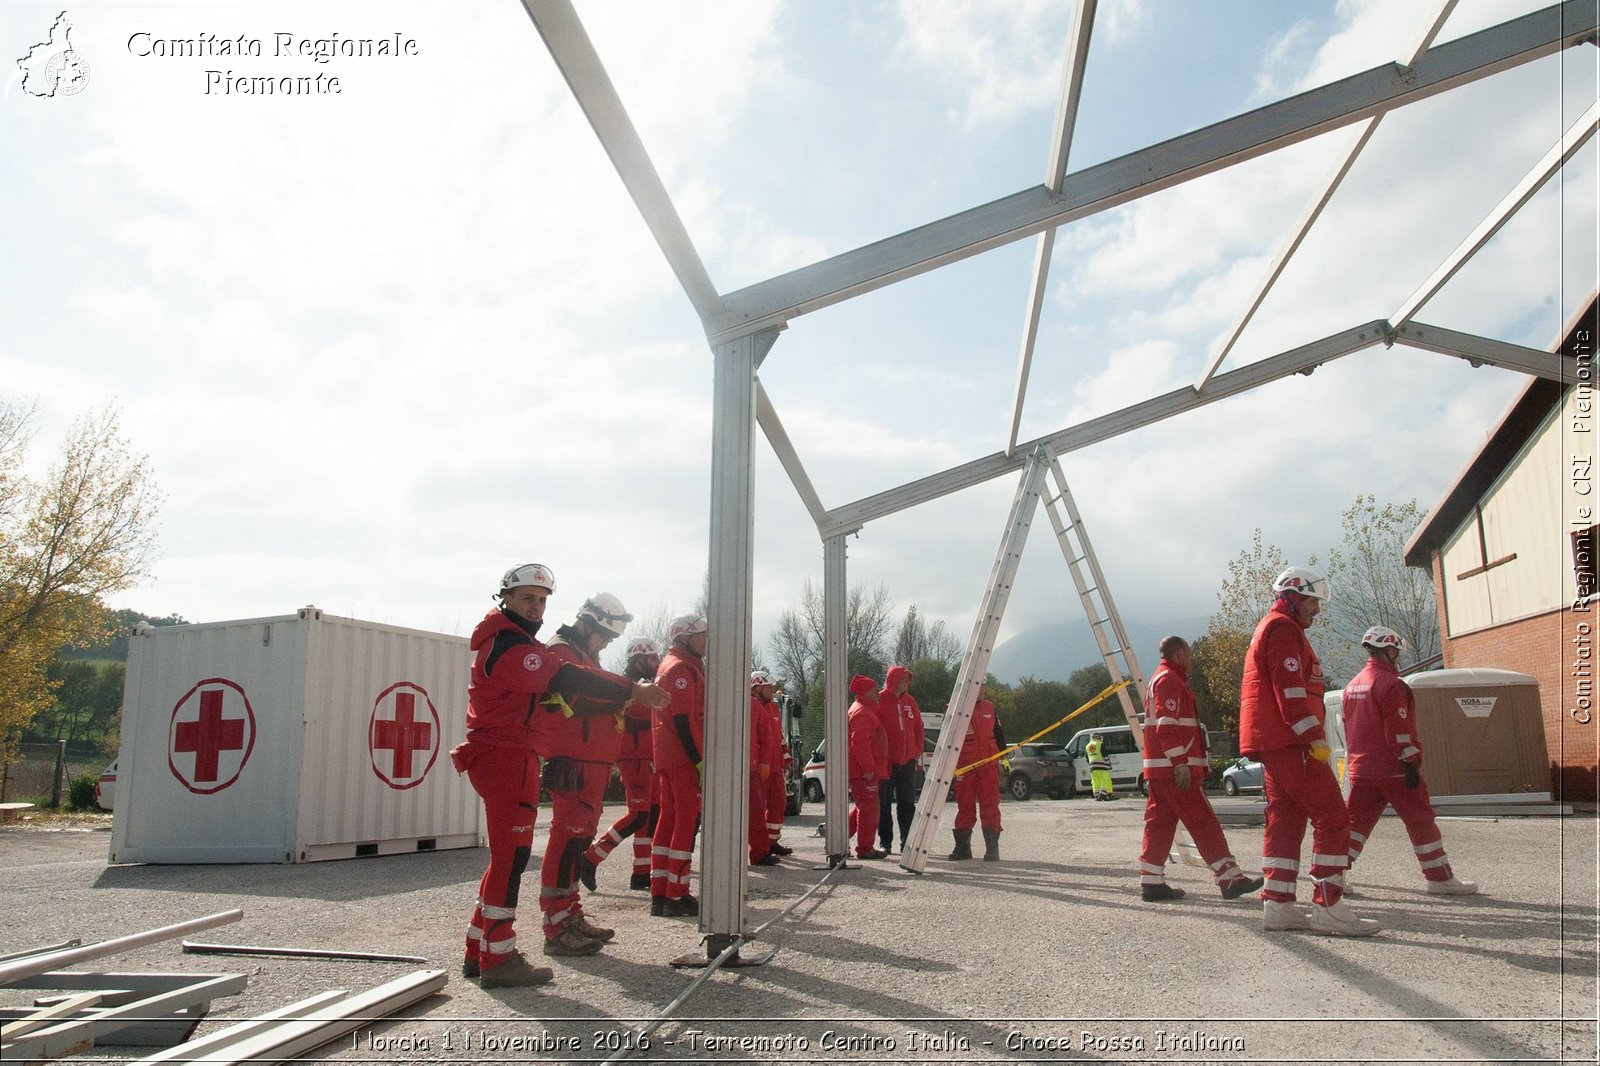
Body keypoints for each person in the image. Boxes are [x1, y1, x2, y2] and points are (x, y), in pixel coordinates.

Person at [448, 565, 666, 988]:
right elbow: (564, 681)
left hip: (522, 753)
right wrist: (630, 690)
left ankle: (482, 948)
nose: (537, 606)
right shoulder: (516, 646)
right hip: (514, 754)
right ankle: (500, 955)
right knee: (517, 858)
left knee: (512, 858)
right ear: (505, 598)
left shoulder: (522, 642)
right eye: (528, 598)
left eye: (542, 599)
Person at [1241, 566, 1378, 936]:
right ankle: (1328, 906)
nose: (1317, 610)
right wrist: (1313, 735)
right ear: (1294, 597)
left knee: (1285, 822)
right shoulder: (1284, 629)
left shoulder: (1272, 627)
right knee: (1334, 818)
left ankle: (1279, 904)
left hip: (1276, 743)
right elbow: (1289, 689)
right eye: (1313, 602)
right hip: (1293, 743)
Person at [533, 593, 664, 958]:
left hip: (590, 760)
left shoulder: (582, 654)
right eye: (605, 636)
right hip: (573, 759)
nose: (607, 644)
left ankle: (570, 914)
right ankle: (557, 926)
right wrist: (623, 697)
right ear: (588, 624)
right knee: (567, 838)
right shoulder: (561, 651)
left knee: (578, 838)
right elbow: (574, 696)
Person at [1343, 625, 1478, 895]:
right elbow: (1399, 728)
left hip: (1361, 769)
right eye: (1396, 651)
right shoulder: (1391, 684)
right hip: (1394, 769)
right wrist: (1410, 761)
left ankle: (1333, 875)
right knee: (1420, 820)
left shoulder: (1352, 685)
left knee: (1354, 826)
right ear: (1390, 650)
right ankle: (1439, 878)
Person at [1137, 636, 1264, 903]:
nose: (1192, 658)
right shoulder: (1169, 679)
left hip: (1160, 770)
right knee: (1203, 820)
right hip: (1175, 771)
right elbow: (1166, 724)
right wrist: (1180, 762)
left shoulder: (1161, 678)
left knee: (1159, 824)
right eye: (1189, 652)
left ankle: (1151, 881)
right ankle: (1230, 878)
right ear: (1180, 653)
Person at [579, 637, 661, 893]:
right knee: (639, 815)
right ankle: (591, 857)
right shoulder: (632, 688)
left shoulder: (641, 686)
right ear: (637, 661)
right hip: (634, 757)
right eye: (651, 659)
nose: (656, 663)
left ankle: (640, 873)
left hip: (647, 757)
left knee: (651, 815)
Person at [650, 614, 707, 917]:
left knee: (669, 820)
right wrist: (699, 760)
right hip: (682, 757)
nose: (706, 641)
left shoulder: (670, 665)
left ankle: (660, 892)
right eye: (701, 636)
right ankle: (676, 892)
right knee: (685, 822)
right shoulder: (681, 669)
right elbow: (685, 719)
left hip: (669, 755)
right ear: (684, 638)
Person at [948, 683, 1007, 861]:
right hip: (965, 765)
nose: (983, 690)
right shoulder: (956, 707)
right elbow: (948, 738)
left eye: (984, 686)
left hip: (988, 765)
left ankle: (992, 848)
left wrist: (1004, 757)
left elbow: (998, 733)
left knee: (990, 804)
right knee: (965, 805)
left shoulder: (989, 707)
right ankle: (963, 848)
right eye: (980, 686)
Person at [875, 666, 925, 854]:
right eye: (903, 679)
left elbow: (919, 727)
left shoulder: (910, 701)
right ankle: (885, 842)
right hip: (887, 763)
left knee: (907, 804)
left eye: (908, 679)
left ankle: (907, 842)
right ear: (893, 680)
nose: (907, 682)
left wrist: (917, 750)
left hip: (908, 763)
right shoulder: (879, 700)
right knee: (884, 804)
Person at [845, 674, 889, 860]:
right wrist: (868, 768)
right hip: (864, 772)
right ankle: (865, 848)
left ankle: (839, 836)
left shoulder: (863, 710)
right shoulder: (862, 713)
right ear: (865, 693)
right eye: (874, 690)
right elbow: (860, 743)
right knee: (869, 808)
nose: (878, 693)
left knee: (862, 807)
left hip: (863, 770)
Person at [748, 670, 784, 866]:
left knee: (778, 803)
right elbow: (763, 738)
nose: (771, 691)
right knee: (756, 809)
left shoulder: (772, 708)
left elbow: (777, 737)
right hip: (759, 765)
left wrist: (785, 757)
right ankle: (760, 848)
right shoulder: (752, 706)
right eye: (768, 687)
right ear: (757, 687)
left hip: (772, 763)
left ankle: (770, 842)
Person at [1087, 732, 1114, 800]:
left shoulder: (1087, 746)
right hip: (1102, 766)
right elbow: (1105, 755)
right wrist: (1109, 764)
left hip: (1092, 767)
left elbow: (1087, 758)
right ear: (1098, 737)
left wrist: (1091, 764)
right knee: (1105, 780)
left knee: (1095, 781)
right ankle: (1103, 794)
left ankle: (1096, 795)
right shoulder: (1100, 744)